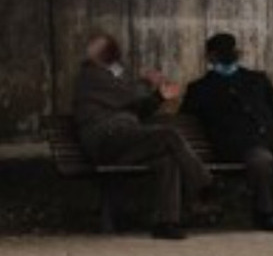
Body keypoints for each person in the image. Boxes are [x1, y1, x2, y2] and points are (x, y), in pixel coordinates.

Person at [181, 34, 273, 232]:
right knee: (262, 161)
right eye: (221, 53)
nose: (227, 57)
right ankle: (265, 212)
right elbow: (188, 118)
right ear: (211, 58)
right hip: (239, 147)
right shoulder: (201, 88)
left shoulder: (257, 80)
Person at [72, 34, 212, 240]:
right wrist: (148, 82)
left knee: (167, 159)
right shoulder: (91, 76)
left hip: (126, 139)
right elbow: (130, 94)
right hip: (106, 140)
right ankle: (204, 184)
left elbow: (138, 108)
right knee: (168, 135)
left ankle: (166, 223)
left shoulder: (117, 75)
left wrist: (158, 97)